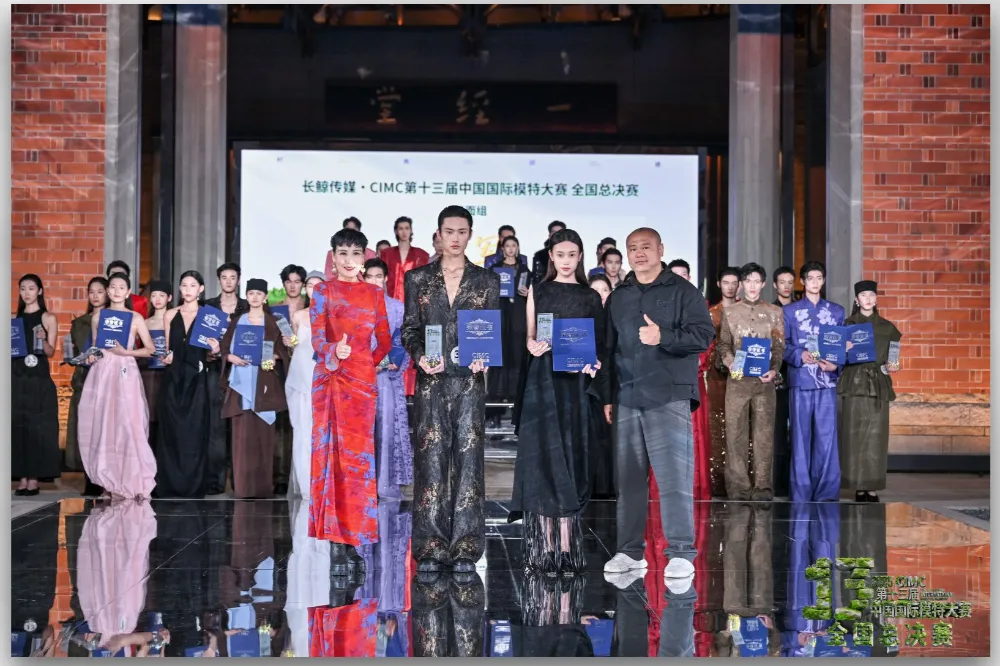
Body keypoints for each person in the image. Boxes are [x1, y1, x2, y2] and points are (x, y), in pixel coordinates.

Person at [596, 228, 714, 588]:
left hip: (668, 395)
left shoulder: (683, 291)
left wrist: (664, 336)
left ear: (661, 249)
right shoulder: (620, 296)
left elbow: (703, 335)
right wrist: (608, 396)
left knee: (674, 479)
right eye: (632, 248)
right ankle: (630, 552)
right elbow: (608, 350)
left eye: (646, 247)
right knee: (629, 480)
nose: (639, 253)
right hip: (628, 396)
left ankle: (680, 553)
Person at [401, 205, 500, 574]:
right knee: (430, 460)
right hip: (431, 383)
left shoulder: (486, 280)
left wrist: (485, 358)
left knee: (469, 462)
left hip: (470, 382)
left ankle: (466, 547)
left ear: (470, 234)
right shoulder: (417, 279)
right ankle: (430, 546)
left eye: (462, 231)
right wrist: (419, 356)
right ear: (439, 234)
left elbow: (489, 331)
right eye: (449, 231)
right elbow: (410, 329)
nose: (455, 238)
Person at [508, 228, 604, 575]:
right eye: (560, 255)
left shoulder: (590, 297)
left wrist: (594, 363)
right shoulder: (539, 290)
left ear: (580, 257)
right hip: (542, 381)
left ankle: (566, 546)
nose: (565, 261)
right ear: (551, 256)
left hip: (574, 384)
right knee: (543, 457)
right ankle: (546, 547)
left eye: (571, 255)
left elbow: (598, 345)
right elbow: (530, 336)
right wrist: (532, 346)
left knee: (572, 454)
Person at [309, 229, 392, 552]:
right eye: (342, 253)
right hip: (330, 380)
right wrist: (334, 350)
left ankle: (356, 535)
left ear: (364, 257)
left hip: (361, 384)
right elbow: (317, 338)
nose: (348, 260)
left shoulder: (373, 294)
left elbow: (384, 340)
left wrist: (364, 362)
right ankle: (332, 535)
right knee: (330, 455)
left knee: (358, 460)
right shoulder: (322, 291)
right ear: (333, 256)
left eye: (355, 253)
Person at [78, 272, 158, 501]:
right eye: (112, 287)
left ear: (128, 291)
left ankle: (132, 479)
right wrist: (91, 356)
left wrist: (127, 352)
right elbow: (96, 348)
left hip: (125, 371)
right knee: (104, 425)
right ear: (108, 290)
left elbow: (150, 349)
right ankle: (107, 483)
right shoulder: (98, 317)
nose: (116, 291)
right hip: (102, 373)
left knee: (128, 424)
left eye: (121, 287)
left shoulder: (135, 318)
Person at [716, 263, 785, 501]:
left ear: (763, 284)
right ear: (741, 284)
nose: (752, 285)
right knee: (735, 434)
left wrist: (774, 370)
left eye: (757, 281)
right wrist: (730, 362)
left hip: (764, 383)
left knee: (764, 436)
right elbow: (723, 345)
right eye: (748, 281)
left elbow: (778, 347)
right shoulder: (731, 312)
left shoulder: (774, 312)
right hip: (737, 381)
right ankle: (738, 490)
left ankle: (763, 488)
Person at [220, 279, 292, 499]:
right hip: (241, 382)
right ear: (247, 296)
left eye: (259, 293)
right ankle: (242, 488)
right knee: (241, 436)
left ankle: (262, 488)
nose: (254, 297)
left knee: (263, 436)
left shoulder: (274, 322)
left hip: (264, 382)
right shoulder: (237, 321)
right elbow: (224, 347)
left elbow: (284, 351)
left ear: (265, 297)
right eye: (251, 293)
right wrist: (230, 357)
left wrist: (271, 358)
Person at [782, 261, 845, 502]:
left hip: (827, 381)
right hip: (801, 380)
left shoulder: (836, 312)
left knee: (827, 437)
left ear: (823, 281)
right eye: (810, 278)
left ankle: (826, 492)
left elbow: (842, 346)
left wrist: (835, 365)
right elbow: (782, 345)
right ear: (803, 281)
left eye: (819, 278)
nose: (815, 282)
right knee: (800, 438)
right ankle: (801, 491)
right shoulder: (789, 311)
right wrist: (799, 355)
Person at [838, 280, 901, 503]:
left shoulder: (887, 327)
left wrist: (893, 365)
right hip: (853, 382)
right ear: (857, 300)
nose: (867, 298)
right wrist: (844, 349)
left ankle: (872, 486)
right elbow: (835, 357)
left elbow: (894, 358)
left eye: (871, 295)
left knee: (876, 436)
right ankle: (857, 485)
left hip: (878, 384)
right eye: (863, 295)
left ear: (876, 299)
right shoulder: (847, 325)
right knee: (853, 435)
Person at [155, 271, 216, 498]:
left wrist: (216, 349)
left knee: (195, 431)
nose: (188, 289)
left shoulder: (209, 316)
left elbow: (212, 353)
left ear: (201, 289)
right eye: (184, 285)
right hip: (174, 378)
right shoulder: (170, 314)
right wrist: (166, 357)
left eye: (193, 285)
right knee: (171, 431)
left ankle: (194, 485)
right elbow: (169, 348)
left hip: (198, 379)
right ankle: (170, 483)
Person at [362, 258, 413, 500]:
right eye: (369, 277)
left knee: (387, 430)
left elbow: (403, 341)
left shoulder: (397, 307)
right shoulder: (356, 307)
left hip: (387, 378)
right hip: (361, 377)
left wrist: (395, 362)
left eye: (378, 276)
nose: (374, 281)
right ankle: (362, 487)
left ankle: (385, 484)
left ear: (385, 279)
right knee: (363, 431)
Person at [12, 274, 61, 495]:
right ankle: (21, 477)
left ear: (40, 291)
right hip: (16, 377)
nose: (27, 293)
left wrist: (42, 338)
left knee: (36, 427)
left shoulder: (48, 317)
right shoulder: (14, 320)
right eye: (23, 288)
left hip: (38, 378)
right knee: (18, 427)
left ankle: (34, 478)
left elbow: (50, 352)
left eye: (31, 288)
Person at [204, 262, 247, 495]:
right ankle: (215, 481)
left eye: (232, 277)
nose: (228, 281)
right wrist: (208, 353)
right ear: (219, 280)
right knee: (216, 426)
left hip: (242, 370)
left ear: (238, 280)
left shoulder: (248, 306)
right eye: (224, 277)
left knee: (241, 425)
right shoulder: (209, 306)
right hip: (215, 369)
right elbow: (200, 338)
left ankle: (241, 481)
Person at [65, 277, 109, 493]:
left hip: (107, 381)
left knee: (105, 431)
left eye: (100, 291)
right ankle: (89, 479)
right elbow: (71, 353)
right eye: (91, 292)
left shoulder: (114, 320)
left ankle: (106, 479)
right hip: (84, 379)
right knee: (86, 431)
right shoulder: (79, 323)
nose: (95, 296)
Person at [285, 270, 325, 499]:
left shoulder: (332, 316)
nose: (314, 290)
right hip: (300, 376)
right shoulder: (299, 316)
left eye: (319, 286)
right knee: (301, 430)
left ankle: (321, 483)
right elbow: (295, 346)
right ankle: (305, 484)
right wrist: (288, 342)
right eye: (310, 286)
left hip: (322, 377)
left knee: (320, 431)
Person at [486, 235, 531, 420]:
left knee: (517, 353)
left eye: (514, 245)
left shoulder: (524, 270)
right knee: (499, 354)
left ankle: (515, 395)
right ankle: (496, 399)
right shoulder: (494, 269)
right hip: (500, 314)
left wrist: (527, 293)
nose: (511, 249)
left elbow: (531, 294)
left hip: (518, 315)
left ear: (517, 248)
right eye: (507, 246)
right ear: (502, 249)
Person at [274, 264, 309, 496]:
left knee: (303, 421)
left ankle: (302, 473)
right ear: (284, 284)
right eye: (289, 281)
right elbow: (268, 339)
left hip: (304, 369)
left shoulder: (310, 308)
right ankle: (280, 475)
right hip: (278, 368)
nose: (293, 285)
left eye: (297, 281)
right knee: (281, 422)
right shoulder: (275, 310)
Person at [706, 266, 740, 497]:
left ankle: (740, 481)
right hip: (717, 378)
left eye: (734, 283)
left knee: (740, 426)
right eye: (725, 282)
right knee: (717, 426)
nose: (730, 287)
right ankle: (717, 481)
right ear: (719, 284)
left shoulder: (746, 312)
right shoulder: (711, 314)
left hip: (742, 377)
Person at [588, 273, 615, 500]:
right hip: (589, 385)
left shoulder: (617, 318)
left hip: (615, 383)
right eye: (595, 290)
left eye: (604, 290)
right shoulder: (584, 319)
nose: (600, 295)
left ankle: (610, 487)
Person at [771, 266, 796, 498]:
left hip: (798, 374)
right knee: (778, 429)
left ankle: (797, 481)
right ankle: (778, 482)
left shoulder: (800, 311)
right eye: (782, 282)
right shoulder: (769, 311)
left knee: (798, 431)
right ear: (774, 285)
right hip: (775, 377)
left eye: (790, 282)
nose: (786, 286)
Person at [139, 279, 172, 458]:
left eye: (162, 295)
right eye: (154, 295)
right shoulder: (144, 322)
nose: (157, 299)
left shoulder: (175, 320)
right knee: (149, 416)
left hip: (169, 373)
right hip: (149, 373)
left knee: (167, 416)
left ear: (169, 298)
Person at [380, 216, 431, 301]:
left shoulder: (421, 255)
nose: (404, 232)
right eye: (401, 229)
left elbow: (425, 281)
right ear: (396, 231)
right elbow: (381, 277)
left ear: (411, 230)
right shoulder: (387, 254)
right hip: (390, 300)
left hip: (413, 301)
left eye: (407, 228)